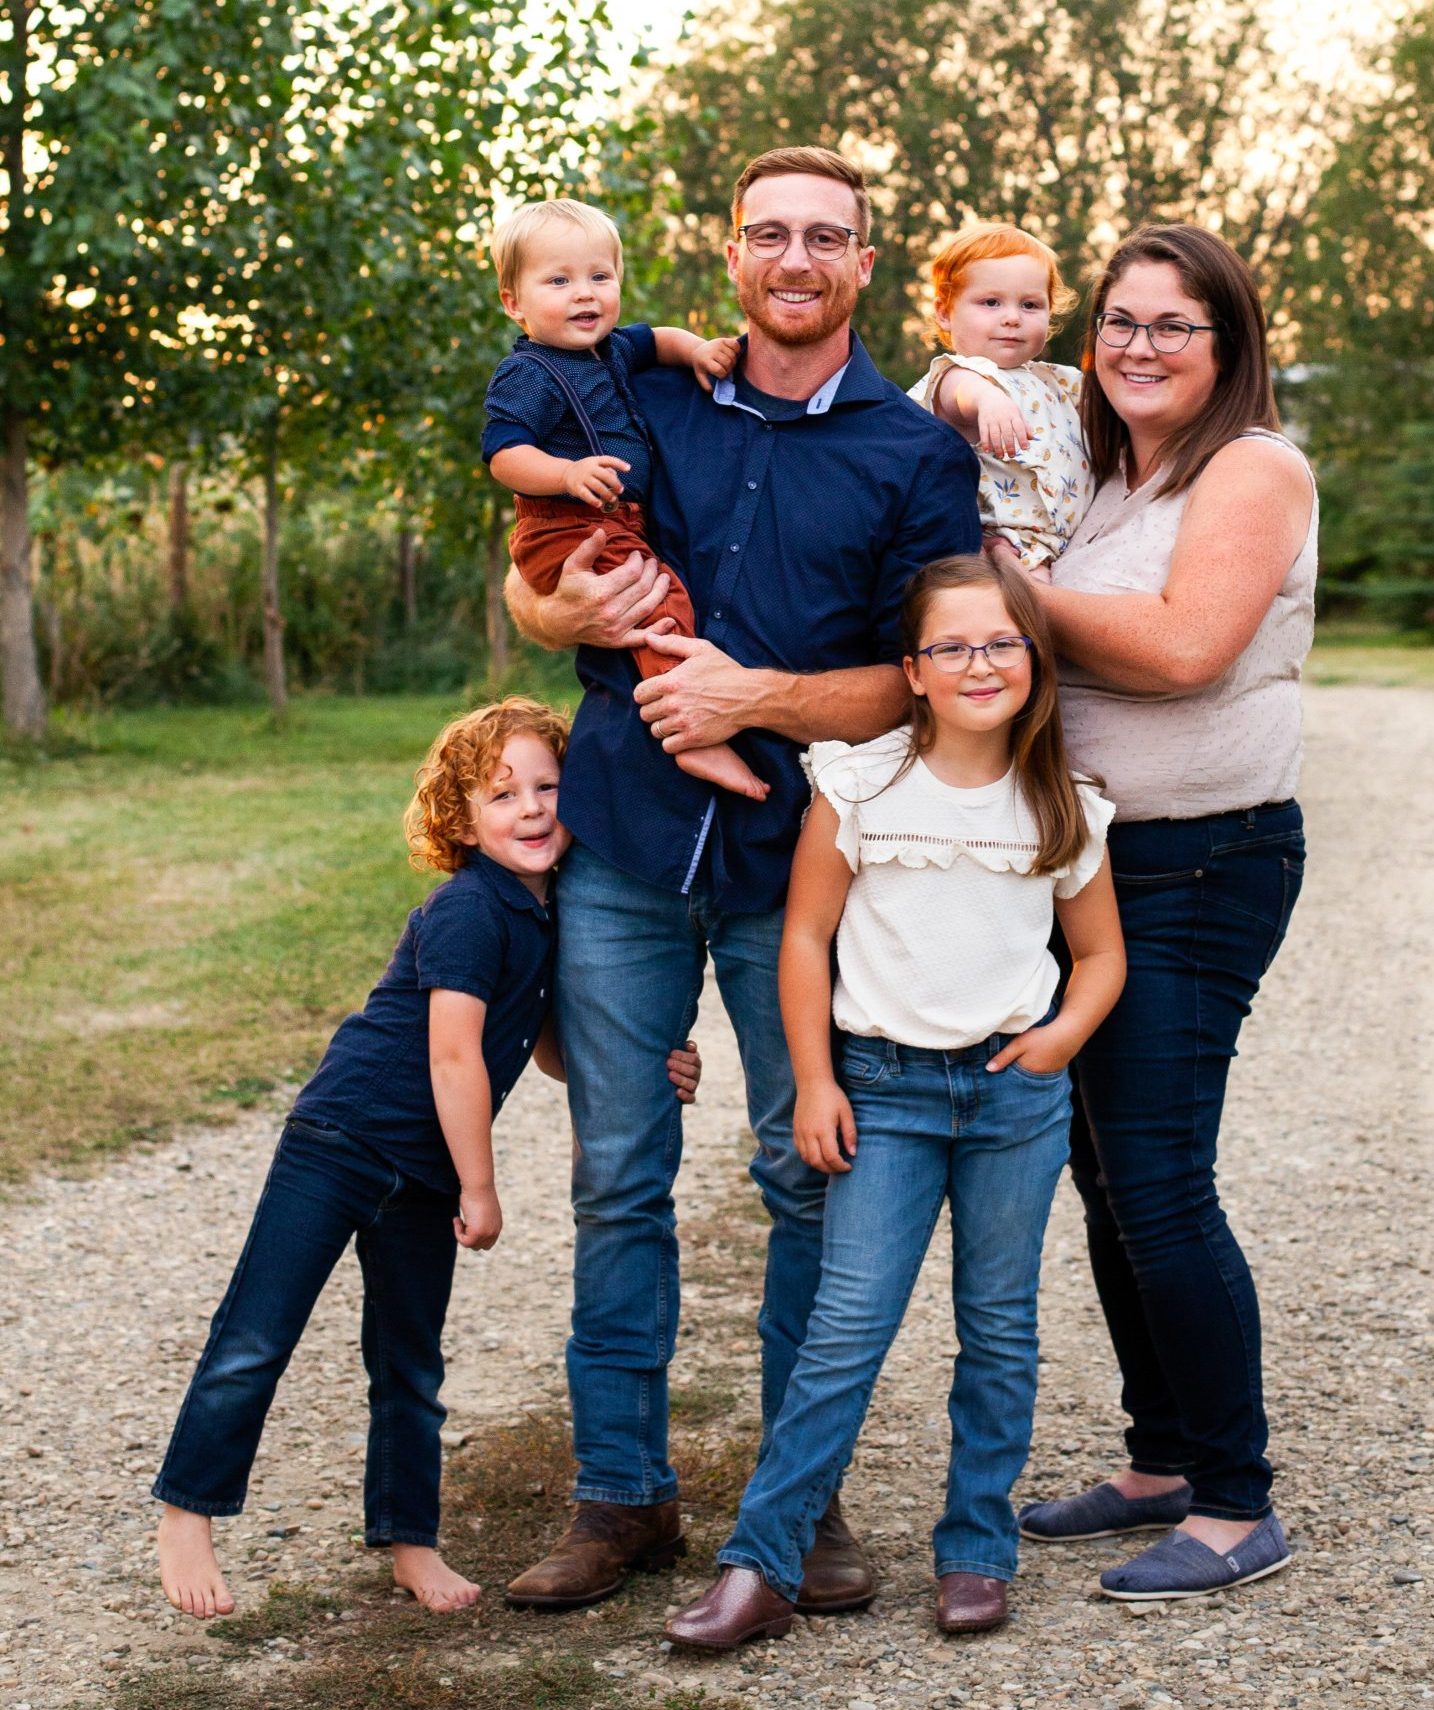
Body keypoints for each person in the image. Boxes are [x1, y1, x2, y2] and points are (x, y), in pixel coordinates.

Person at [499, 147, 982, 1615]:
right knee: (613, 1173)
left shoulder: (913, 450)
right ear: (729, 256)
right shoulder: (632, 389)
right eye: (767, 232)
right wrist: (548, 603)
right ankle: (621, 1494)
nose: (793, 257)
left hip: (800, 867)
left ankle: (798, 1495)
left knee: (804, 1171)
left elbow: (928, 684)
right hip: (627, 845)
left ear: (862, 266)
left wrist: (752, 698)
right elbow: (535, 572)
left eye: (822, 237)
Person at [151, 698, 702, 1620]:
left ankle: (411, 1545)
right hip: (340, 1144)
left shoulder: (551, 914)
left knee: (409, 1363)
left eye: (548, 787)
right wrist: (481, 1187)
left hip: (421, 1178)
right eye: (501, 794)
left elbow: (550, 1046)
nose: (529, 809)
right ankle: (186, 1510)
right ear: (461, 819)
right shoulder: (467, 911)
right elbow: (454, 1054)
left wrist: (652, 1060)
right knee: (256, 1336)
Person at [664, 555, 1125, 1649]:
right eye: (951, 646)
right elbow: (804, 937)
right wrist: (814, 1079)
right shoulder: (858, 783)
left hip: (1012, 1097)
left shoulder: (1060, 798)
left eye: (1001, 643)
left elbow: (1100, 956)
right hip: (882, 1093)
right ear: (911, 671)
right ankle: (761, 1563)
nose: (979, 663)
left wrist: (1058, 1036)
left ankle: (974, 1553)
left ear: (1032, 660)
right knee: (843, 1331)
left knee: (998, 1330)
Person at [1014, 224, 1317, 1602]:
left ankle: (1236, 1499)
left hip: (1198, 864)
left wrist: (1006, 590)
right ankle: (1159, 1455)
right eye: (1119, 322)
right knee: (1103, 1169)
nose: (1138, 345)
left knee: (1156, 1172)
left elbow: (1191, 649)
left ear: (1226, 344)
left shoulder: (1251, 467)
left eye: (1171, 325)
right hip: (1090, 867)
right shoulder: (1102, 485)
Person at [482, 199, 763, 802]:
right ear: (514, 303)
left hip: (608, 517)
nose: (584, 294)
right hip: (564, 522)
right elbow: (503, 454)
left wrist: (695, 351)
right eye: (558, 281)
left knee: (661, 595)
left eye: (599, 277)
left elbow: (658, 338)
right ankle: (690, 731)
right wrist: (565, 473)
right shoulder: (531, 373)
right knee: (660, 605)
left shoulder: (610, 350)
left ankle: (686, 715)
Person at [908, 223, 1091, 583]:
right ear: (944, 312)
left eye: (1030, 305)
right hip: (1000, 550)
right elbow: (959, 394)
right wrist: (988, 400)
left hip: (1069, 547)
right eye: (991, 302)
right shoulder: (959, 373)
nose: (1012, 317)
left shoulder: (1054, 380)